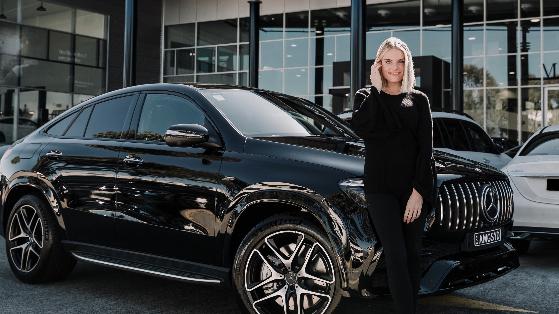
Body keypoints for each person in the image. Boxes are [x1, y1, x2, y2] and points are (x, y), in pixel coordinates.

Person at [351, 37, 434, 314]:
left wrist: (419, 192)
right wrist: (376, 90)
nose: (395, 68)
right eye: (388, 61)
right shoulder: (365, 97)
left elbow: (426, 151)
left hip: (412, 190)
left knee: (412, 256)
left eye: (400, 61)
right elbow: (362, 128)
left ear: (407, 64)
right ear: (379, 64)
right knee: (396, 254)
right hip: (380, 189)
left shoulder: (419, 100)